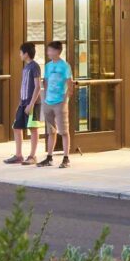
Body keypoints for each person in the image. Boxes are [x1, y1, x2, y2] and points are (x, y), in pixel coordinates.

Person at [39, 38, 73, 167]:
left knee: (64, 131)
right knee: (50, 131)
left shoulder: (65, 66)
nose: (48, 52)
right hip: (48, 101)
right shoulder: (48, 66)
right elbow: (45, 81)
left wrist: (65, 99)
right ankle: (49, 157)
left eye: (50, 50)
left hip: (60, 102)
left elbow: (70, 84)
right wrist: (46, 98)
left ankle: (66, 158)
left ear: (57, 51)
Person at [7, 41, 40, 164]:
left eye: (21, 52)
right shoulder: (26, 67)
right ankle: (18, 155)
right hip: (23, 102)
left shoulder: (35, 66)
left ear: (26, 54)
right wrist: (20, 103)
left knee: (33, 128)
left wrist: (31, 104)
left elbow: (37, 86)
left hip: (33, 103)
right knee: (17, 127)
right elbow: (24, 86)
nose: (19, 55)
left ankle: (32, 156)